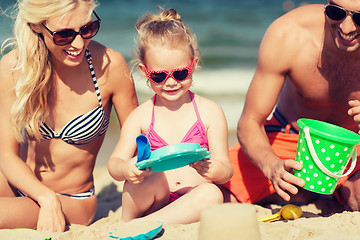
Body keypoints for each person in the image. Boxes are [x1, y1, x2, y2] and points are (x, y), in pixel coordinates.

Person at [0, 0, 138, 232]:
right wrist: (45, 197)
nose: (78, 43)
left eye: (87, 29)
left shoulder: (110, 66)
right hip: (16, 183)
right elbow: (6, 154)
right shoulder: (14, 67)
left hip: (73, 200)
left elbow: (139, 141)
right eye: (64, 34)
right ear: (36, 26)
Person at [221, 0, 360, 211]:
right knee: (216, 186)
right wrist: (272, 165)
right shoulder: (289, 34)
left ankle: (329, 193)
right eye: (336, 12)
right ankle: (317, 193)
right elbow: (250, 122)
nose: (346, 28)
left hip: (354, 146)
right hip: (290, 138)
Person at [107, 8, 233, 224]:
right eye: (158, 75)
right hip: (154, 200)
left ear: (192, 66)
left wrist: (214, 169)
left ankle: (139, 226)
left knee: (212, 194)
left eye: (180, 73)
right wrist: (126, 168)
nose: (171, 82)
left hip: (192, 201)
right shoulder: (141, 116)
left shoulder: (210, 111)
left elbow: (226, 171)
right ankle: (128, 223)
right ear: (145, 71)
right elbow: (114, 164)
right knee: (144, 178)